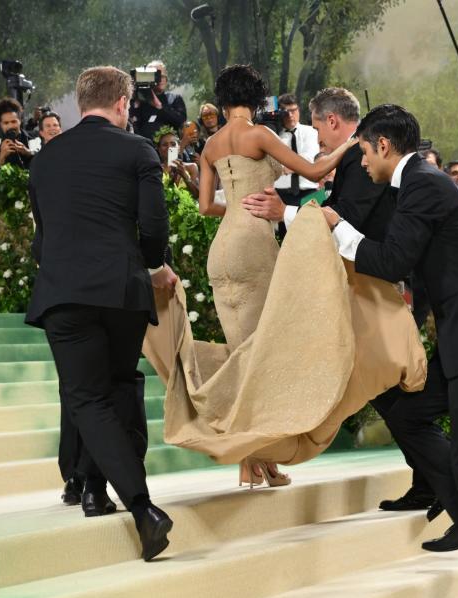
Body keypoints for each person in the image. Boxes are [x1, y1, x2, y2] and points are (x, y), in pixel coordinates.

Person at [141, 67, 425, 490]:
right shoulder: (257, 134)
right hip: (254, 249)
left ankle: (255, 460)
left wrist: (238, 207)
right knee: (261, 357)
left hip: (221, 253)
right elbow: (314, 172)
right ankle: (253, 457)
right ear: (256, 100)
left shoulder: (212, 145)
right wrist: (352, 141)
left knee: (244, 351)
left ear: (221, 101)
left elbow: (204, 207)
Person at [321, 103, 458, 598]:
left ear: (381, 145)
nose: (362, 164)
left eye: (362, 152)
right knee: (408, 410)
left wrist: (337, 227)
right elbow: (415, 265)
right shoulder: (417, 183)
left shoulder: (422, 183)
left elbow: (394, 259)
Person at [241, 85, 440, 517]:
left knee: (391, 387)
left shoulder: (357, 157)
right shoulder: (354, 156)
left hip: (386, 284)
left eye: (316, 126)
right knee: (387, 389)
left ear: (333, 120)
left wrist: (286, 214)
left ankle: (439, 480)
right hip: (375, 284)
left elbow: (345, 216)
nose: (318, 138)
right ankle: (431, 480)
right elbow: (334, 209)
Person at [25, 65, 176, 561]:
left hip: (65, 291)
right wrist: (153, 265)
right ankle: (100, 491)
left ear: (79, 102)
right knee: (112, 389)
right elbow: (154, 225)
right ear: (123, 103)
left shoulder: (45, 159)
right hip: (122, 290)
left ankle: (137, 505)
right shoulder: (137, 149)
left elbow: (42, 238)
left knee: (89, 397)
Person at [273, 93, 321, 206]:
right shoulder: (273, 137)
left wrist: (283, 168)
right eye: (286, 112)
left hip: (309, 191)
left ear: (298, 110)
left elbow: (309, 158)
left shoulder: (312, 131)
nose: (290, 115)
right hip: (281, 193)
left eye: (293, 110)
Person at [130, 60, 187, 141]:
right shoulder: (139, 101)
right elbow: (132, 127)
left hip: (171, 149)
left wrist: (159, 106)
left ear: (166, 79)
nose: (160, 79)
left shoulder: (173, 98)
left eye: (162, 76)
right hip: (146, 149)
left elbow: (180, 121)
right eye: (156, 76)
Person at [0, 97, 33, 178]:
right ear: (0, 124)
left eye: (13, 121)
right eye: (6, 123)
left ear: (20, 121)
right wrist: (1, 159)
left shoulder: (35, 140)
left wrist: (28, 153)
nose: (10, 126)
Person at [154, 125, 199, 198]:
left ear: (178, 147)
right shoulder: (156, 170)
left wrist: (185, 176)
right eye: (165, 145)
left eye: (173, 144)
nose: (169, 147)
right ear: (159, 149)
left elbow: (197, 195)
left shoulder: (191, 167)